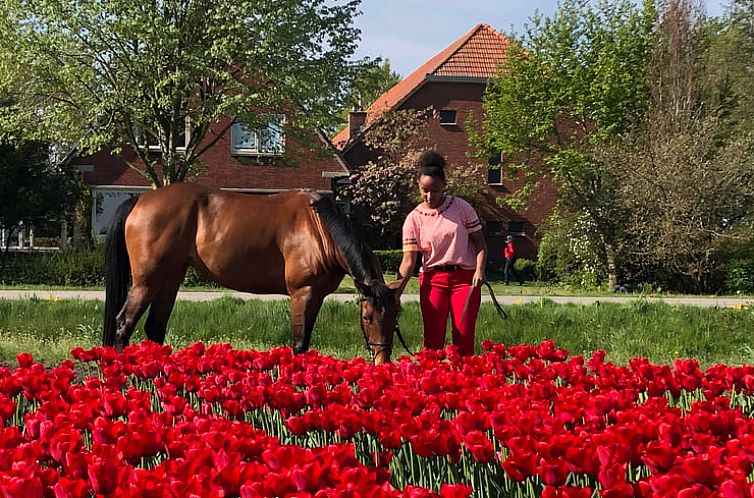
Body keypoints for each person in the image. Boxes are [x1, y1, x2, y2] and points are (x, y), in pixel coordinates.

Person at [398, 150, 487, 356]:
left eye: (435, 190)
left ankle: (465, 384)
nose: (430, 196)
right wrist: (396, 289)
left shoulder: (461, 208)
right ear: (419, 187)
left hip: (465, 280)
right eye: (425, 190)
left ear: (444, 186)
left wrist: (479, 271)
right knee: (432, 341)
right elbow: (409, 261)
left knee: (463, 340)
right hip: (432, 280)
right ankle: (432, 384)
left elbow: (480, 244)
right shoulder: (414, 218)